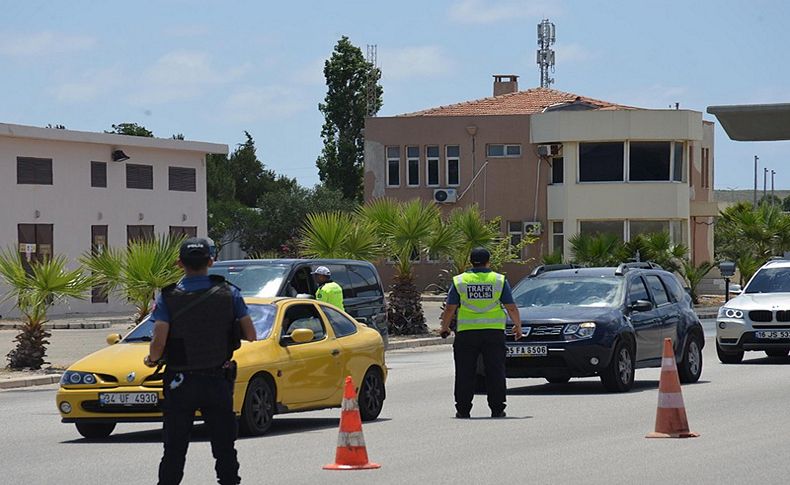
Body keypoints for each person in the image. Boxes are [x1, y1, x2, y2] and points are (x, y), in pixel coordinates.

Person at [144, 237, 256, 485]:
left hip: (180, 381)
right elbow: (251, 334)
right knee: (224, 446)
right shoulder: (229, 292)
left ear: (179, 263)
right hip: (217, 379)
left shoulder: (168, 296)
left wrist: (151, 360)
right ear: (211, 261)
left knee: (174, 448)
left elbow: (159, 341)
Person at [439, 247, 523, 419]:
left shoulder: (460, 281)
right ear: (488, 261)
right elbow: (511, 307)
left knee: (464, 372)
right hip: (493, 333)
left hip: (467, 334)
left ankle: (463, 409)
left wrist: (444, 327)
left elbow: (449, 308)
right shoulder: (498, 280)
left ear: (471, 262)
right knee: (495, 371)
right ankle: (497, 408)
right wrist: (518, 326)